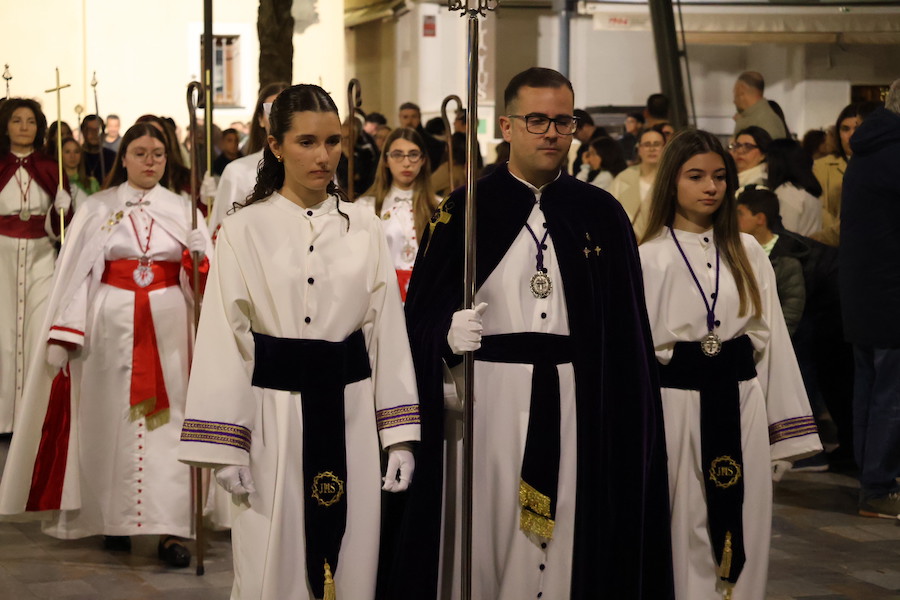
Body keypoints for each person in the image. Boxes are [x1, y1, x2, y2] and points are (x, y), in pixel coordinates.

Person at [385, 66, 674, 600]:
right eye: (537, 120)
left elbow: (625, 333)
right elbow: (414, 323)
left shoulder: (601, 214)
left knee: (567, 531)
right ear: (508, 126)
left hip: (575, 403)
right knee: (487, 533)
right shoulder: (466, 209)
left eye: (563, 121)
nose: (551, 133)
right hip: (483, 406)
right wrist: (446, 336)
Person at [178, 84, 420, 600]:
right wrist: (225, 446)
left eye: (333, 141)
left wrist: (397, 433)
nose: (323, 155)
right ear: (275, 145)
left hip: (350, 413)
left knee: (353, 557)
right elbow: (227, 336)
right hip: (273, 419)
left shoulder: (366, 229)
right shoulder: (244, 229)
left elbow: (386, 334)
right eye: (307, 142)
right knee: (271, 556)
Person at [0, 122, 211, 568]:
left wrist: (202, 259)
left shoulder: (184, 209)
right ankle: (114, 521)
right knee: (108, 424)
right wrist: (66, 331)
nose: (149, 160)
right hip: (107, 331)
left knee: (167, 426)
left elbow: (207, 289)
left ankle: (171, 528)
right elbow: (79, 273)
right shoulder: (98, 207)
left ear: (167, 158)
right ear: (125, 157)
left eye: (157, 153)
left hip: (171, 329)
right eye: (139, 152)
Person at [638, 129, 820, 599]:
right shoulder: (646, 258)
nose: (711, 187)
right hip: (675, 408)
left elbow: (773, 340)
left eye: (720, 176)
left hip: (742, 405)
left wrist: (785, 431)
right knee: (687, 525)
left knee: (748, 521)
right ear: (670, 182)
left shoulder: (748, 251)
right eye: (696, 176)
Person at [839, 79, 900, 519]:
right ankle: (877, 487)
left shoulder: (868, 149)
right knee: (891, 396)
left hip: (863, 292)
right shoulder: (895, 155)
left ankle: (869, 476)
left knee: (870, 389)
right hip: (892, 293)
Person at [0, 98, 72, 434]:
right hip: (2, 256)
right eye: (17, 120)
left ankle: (32, 416)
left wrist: (64, 209)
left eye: (30, 121)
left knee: (35, 329)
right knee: (4, 331)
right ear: (6, 125)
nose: (24, 127)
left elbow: (63, 227)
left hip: (42, 254)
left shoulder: (50, 166)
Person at [358, 127, 439, 302]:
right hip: (383, 299)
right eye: (397, 154)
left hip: (426, 298)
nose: (406, 162)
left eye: (413, 154)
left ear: (423, 159)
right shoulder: (367, 206)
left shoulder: (440, 207)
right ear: (386, 160)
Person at [208, 82, 290, 236]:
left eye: (287, 110)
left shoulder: (315, 167)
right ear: (260, 119)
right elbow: (222, 231)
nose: (280, 118)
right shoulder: (237, 172)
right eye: (272, 111)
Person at [735, 186, 806, 335]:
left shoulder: (786, 260)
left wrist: (774, 341)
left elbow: (791, 310)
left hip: (770, 339)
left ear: (760, 219)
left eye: (740, 214)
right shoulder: (733, 250)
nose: (734, 219)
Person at [811, 101, 880, 247]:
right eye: (845, 129)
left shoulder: (878, 163)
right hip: (830, 242)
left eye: (857, 128)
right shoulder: (821, 166)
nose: (851, 135)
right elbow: (820, 208)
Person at [609, 124, 667, 239]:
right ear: (639, 149)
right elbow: (609, 213)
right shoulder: (625, 177)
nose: (652, 149)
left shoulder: (672, 178)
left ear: (665, 148)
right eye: (646, 144)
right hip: (631, 243)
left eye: (657, 144)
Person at [765, 138, 822, 236]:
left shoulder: (787, 192)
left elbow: (786, 234)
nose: (765, 166)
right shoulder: (805, 190)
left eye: (767, 160)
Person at [732, 71, 787, 140]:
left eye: (734, 91)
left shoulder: (766, 121)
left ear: (741, 89)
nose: (734, 101)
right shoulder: (751, 117)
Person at [397, 101, 443, 172]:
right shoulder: (394, 140)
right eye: (405, 117)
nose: (409, 121)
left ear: (419, 118)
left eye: (414, 117)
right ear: (400, 118)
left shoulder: (433, 144)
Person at [60, 136, 100, 208]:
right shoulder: (56, 183)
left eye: (76, 152)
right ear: (60, 155)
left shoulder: (92, 183)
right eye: (67, 152)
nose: (72, 156)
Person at [80, 114, 117, 183]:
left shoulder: (112, 156)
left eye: (97, 130)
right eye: (90, 130)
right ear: (83, 131)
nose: (94, 134)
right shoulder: (77, 155)